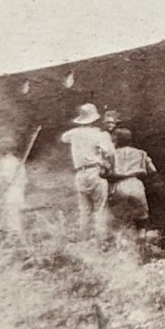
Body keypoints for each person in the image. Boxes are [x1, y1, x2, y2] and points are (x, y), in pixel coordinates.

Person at [60, 103, 115, 244]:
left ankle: (84, 240)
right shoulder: (99, 134)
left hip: (80, 174)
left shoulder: (73, 133)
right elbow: (109, 153)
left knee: (84, 210)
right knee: (100, 208)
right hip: (95, 171)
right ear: (95, 119)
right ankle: (100, 241)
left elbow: (64, 138)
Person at [108, 128, 157, 245]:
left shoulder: (112, 154)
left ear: (116, 141)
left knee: (119, 220)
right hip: (135, 184)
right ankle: (141, 243)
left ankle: (121, 246)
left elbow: (104, 172)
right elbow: (153, 170)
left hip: (118, 185)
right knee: (141, 219)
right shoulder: (141, 153)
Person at [0, 149, 28, 237]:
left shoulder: (6, 162)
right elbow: (25, 181)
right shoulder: (19, 163)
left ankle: (14, 233)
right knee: (17, 210)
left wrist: (3, 189)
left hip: (11, 189)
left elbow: (4, 178)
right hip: (19, 190)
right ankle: (15, 231)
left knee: (11, 209)